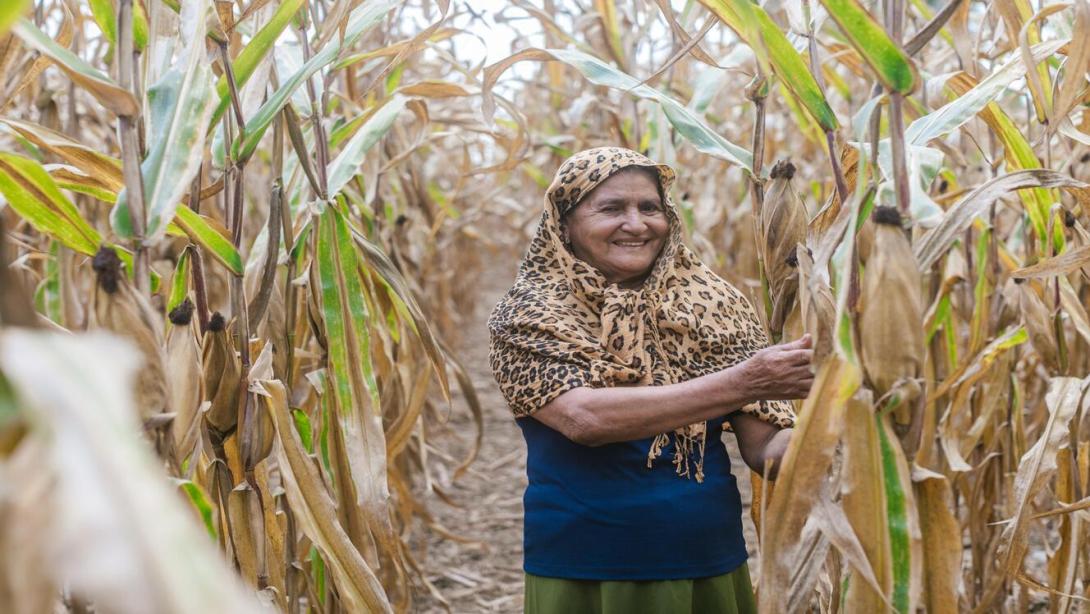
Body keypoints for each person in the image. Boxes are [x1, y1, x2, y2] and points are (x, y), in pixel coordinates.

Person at [488, 147, 814, 614]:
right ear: (564, 222)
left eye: (650, 208)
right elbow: (584, 418)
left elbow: (766, 449)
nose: (637, 224)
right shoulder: (529, 313)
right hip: (588, 564)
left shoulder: (716, 305)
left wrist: (841, 421)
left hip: (708, 557)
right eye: (611, 208)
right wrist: (746, 380)